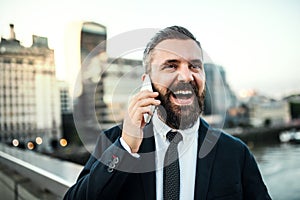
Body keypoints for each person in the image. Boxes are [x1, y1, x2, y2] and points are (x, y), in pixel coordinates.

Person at [64, 26, 271, 200]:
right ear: (147, 82)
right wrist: (126, 148)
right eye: (171, 66)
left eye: (194, 66)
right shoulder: (114, 142)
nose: (186, 76)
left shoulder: (236, 153)